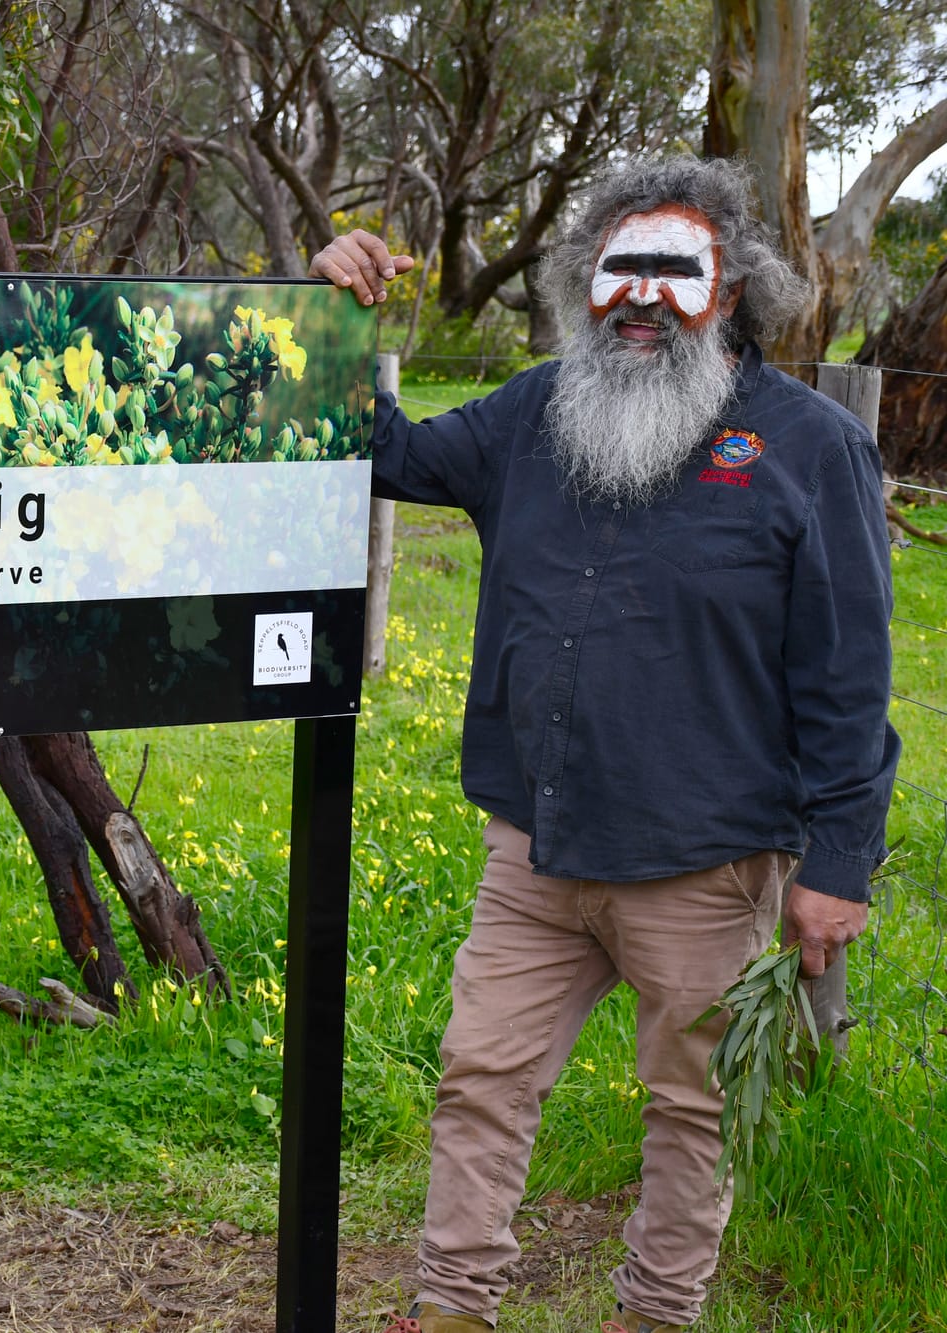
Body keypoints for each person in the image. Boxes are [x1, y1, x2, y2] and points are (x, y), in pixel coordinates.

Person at [311, 156, 897, 1333]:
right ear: (582, 282)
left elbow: (847, 675)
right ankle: (451, 1305)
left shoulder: (810, 447)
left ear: (731, 289)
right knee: (479, 1076)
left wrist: (838, 864)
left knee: (690, 1109)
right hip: (533, 848)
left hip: (704, 860)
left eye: (671, 270)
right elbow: (383, 451)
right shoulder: (529, 413)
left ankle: (654, 1313)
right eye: (616, 268)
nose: (639, 296)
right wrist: (329, 316)